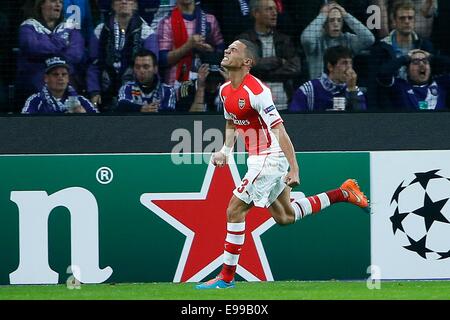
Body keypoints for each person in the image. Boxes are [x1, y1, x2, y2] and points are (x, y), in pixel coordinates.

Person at [195, 39, 369, 289]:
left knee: (235, 209)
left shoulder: (257, 92)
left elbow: (280, 130)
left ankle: (226, 278)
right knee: (285, 216)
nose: (226, 50)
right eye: (227, 48)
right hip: (256, 158)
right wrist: (225, 150)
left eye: (233, 49)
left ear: (247, 62)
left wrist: (294, 168)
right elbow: (231, 121)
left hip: (271, 156)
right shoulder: (225, 91)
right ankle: (343, 193)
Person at [86, 0, 159, 112]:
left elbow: (150, 69)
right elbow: (93, 65)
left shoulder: (147, 33)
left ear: (135, 4)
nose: (124, 1)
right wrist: (94, 92)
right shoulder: (100, 30)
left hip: (136, 96)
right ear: (112, 4)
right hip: (104, 93)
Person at [15, 0, 85, 111]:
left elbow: (76, 55)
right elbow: (33, 48)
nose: (58, 4)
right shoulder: (28, 26)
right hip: (34, 86)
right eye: (53, 1)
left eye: (60, 2)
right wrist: (61, 43)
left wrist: (48, 49)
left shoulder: (71, 27)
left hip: (66, 86)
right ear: (41, 4)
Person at [237, 0, 302, 111]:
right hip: (254, 105)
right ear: (256, 13)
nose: (274, 13)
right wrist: (278, 62)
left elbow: (295, 68)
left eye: (275, 9)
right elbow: (247, 66)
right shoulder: (245, 40)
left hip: (283, 106)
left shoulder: (284, 40)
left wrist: (263, 72)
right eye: (269, 9)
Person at [301, 2, 375, 79]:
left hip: (343, 89)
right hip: (319, 89)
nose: (336, 24)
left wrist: (346, 15)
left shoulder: (348, 39)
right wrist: (322, 16)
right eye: (331, 20)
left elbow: (369, 39)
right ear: (323, 23)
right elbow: (306, 39)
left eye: (339, 20)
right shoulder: (316, 41)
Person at [157, 0, 225, 85]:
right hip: (176, 85)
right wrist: (188, 46)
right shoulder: (166, 23)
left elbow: (222, 52)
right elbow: (163, 60)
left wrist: (210, 50)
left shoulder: (210, 20)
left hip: (207, 83)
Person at [289, 45, 366, 112]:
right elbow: (295, 118)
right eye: (344, 63)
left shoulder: (355, 90)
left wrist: (352, 90)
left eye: (350, 63)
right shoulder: (308, 90)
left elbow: (361, 120)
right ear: (330, 67)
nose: (349, 68)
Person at [376, 49, 450, 110]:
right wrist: (405, 57)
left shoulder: (441, 84)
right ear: (407, 70)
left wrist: (432, 57)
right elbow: (383, 73)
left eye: (425, 61)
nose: (421, 64)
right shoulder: (399, 86)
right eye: (415, 62)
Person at [22, 56, 98, 113]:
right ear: (46, 78)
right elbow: (25, 125)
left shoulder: (81, 100)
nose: (60, 78)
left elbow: (98, 124)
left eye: (64, 74)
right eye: (55, 74)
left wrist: (84, 116)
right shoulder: (35, 101)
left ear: (68, 78)